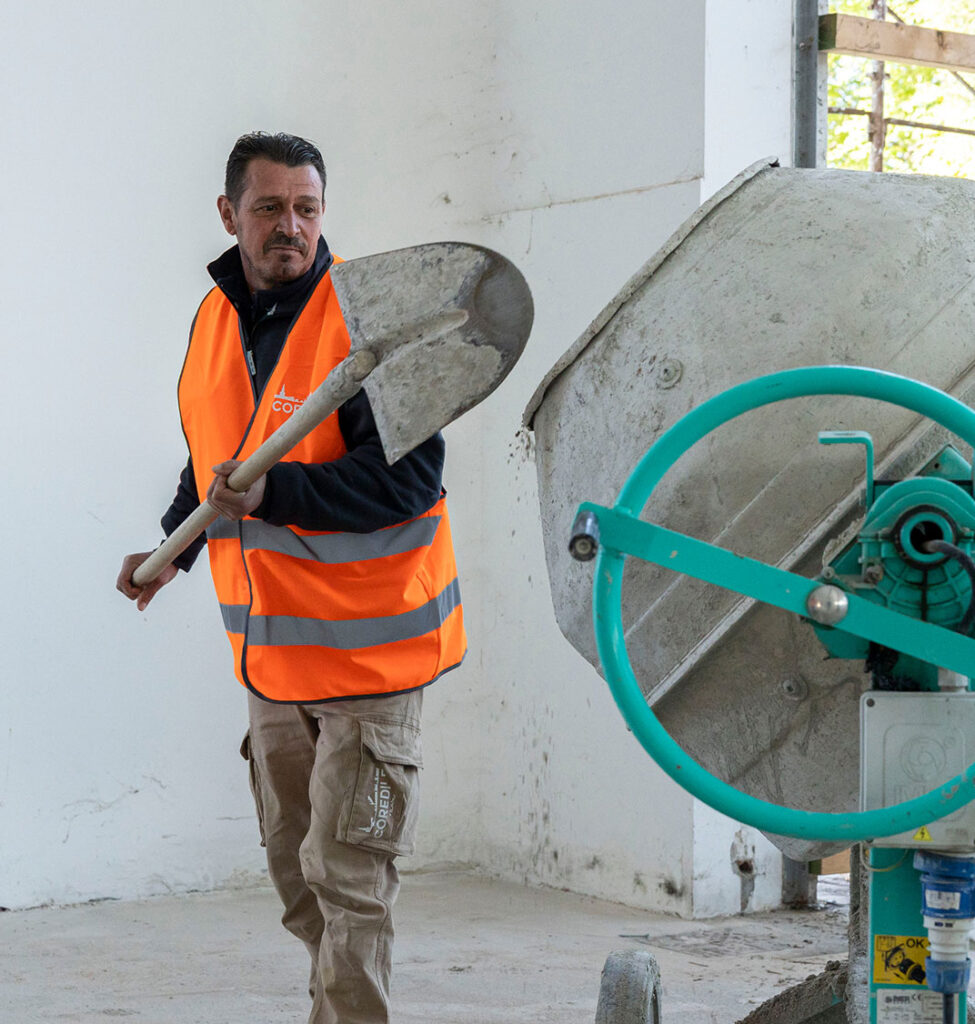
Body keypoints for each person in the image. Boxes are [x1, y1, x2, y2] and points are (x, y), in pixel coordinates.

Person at [117, 131, 467, 1024]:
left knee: (349, 877)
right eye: (269, 207)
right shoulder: (215, 319)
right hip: (275, 659)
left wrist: (275, 494)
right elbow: (217, 455)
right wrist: (171, 551)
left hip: (372, 658)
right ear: (229, 213)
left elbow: (408, 482)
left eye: (306, 208)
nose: (291, 227)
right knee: (294, 871)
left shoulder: (368, 322)